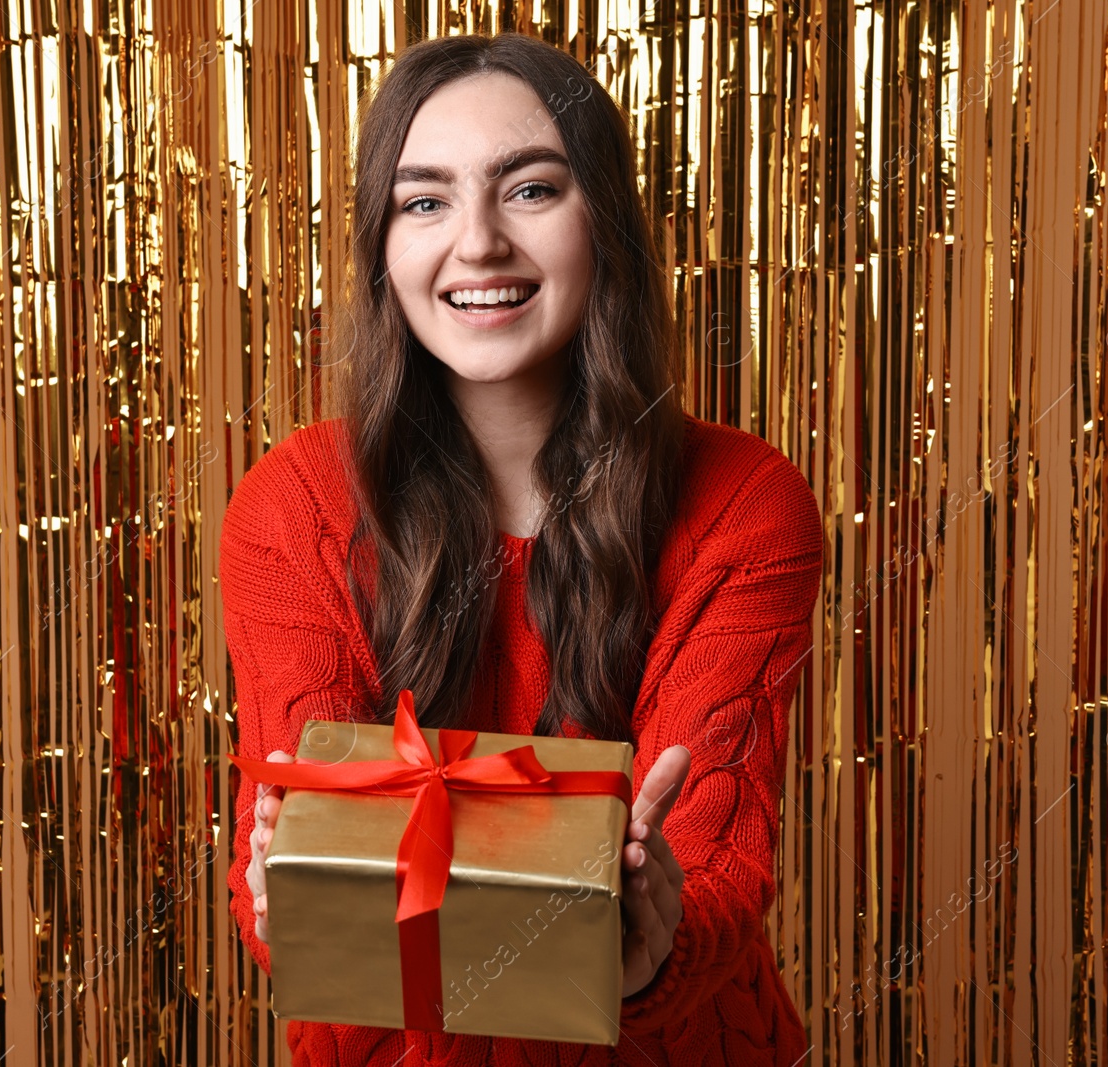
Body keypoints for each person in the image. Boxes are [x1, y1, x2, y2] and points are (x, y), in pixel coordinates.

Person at [220, 32, 822, 1066]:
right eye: (424, 201)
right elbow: (298, 881)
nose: (478, 243)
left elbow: (709, 862)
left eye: (531, 190)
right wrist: (292, 891)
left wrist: (639, 938)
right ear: (382, 250)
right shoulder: (295, 505)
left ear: (607, 225)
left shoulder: (745, 503)